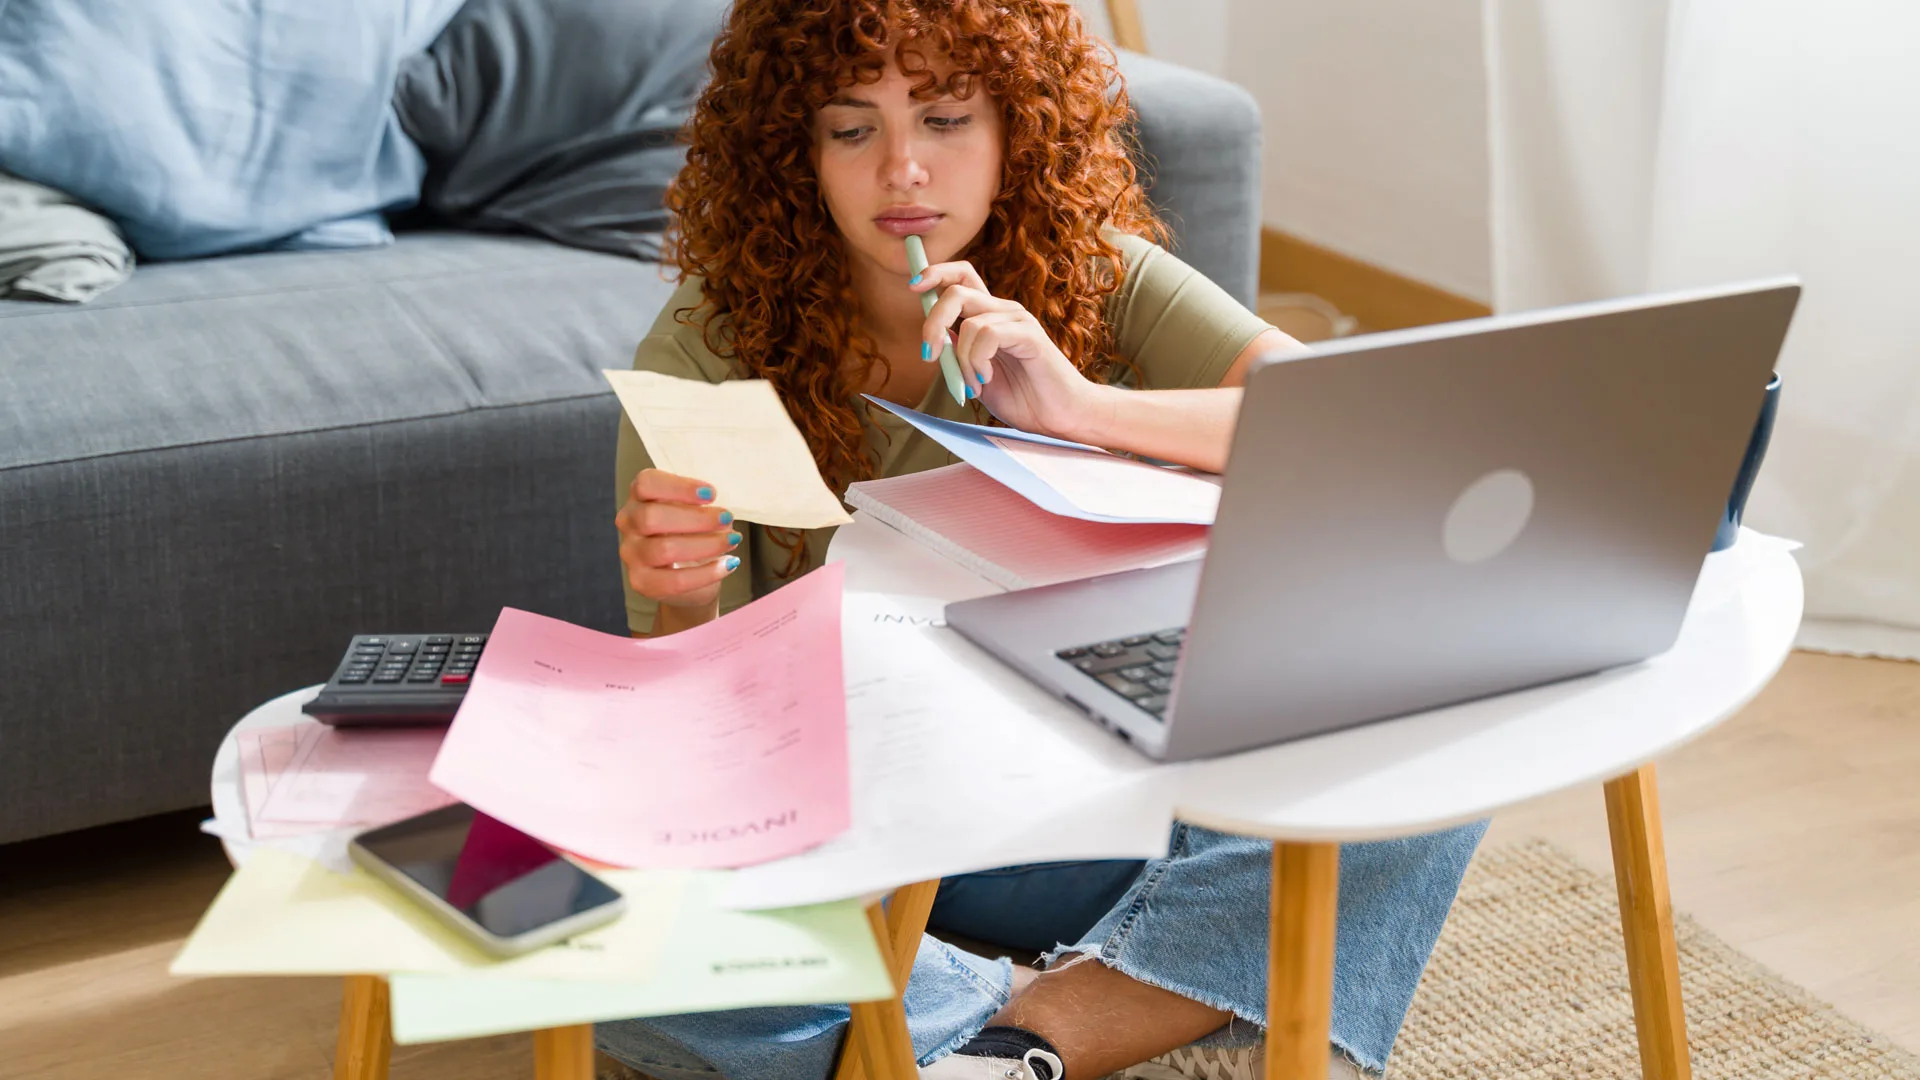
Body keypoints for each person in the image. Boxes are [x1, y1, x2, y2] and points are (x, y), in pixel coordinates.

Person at [608, 2, 1486, 1078]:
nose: (902, 173)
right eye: (852, 129)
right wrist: (685, 600)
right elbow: (693, 746)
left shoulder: (1093, 272)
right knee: (612, 940)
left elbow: (1353, 423)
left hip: (1111, 793)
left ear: (1016, 126)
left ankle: (1015, 1039)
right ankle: (1085, 996)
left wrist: (1082, 412)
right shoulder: (709, 339)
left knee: (1449, 707)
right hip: (884, 826)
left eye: (943, 119)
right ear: (794, 147)